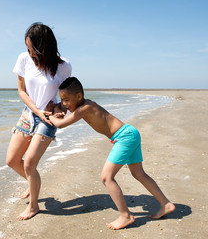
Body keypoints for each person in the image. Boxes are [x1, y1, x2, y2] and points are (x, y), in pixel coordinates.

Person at [48, 77, 176, 230]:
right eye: (63, 100)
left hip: (124, 137)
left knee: (106, 177)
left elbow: (60, 125)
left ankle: (125, 215)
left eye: (67, 100)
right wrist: (57, 110)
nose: (65, 104)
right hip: (129, 133)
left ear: (79, 97)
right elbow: (60, 107)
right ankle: (166, 204)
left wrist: (49, 116)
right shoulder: (82, 104)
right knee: (139, 174)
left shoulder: (85, 108)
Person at [6, 23, 71, 221]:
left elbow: (66, 99)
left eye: (32, 48)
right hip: (29, 113)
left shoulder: (64, 66)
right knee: (11, 161)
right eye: (27, 47)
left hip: (49, 118)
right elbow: (21, 91)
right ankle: (33, 184)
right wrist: (36, 111)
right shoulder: (23, 59)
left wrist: (60, 109)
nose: (29, 52)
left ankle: (34, 206)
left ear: (43, 47)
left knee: (30, 164)